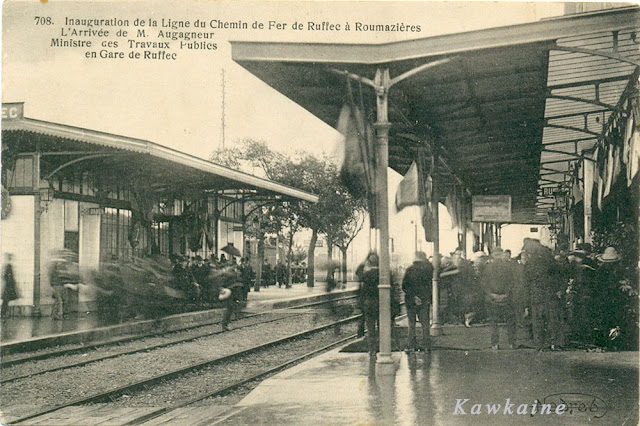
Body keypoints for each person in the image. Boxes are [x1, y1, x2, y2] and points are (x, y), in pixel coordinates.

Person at [480, 247, 518, 349]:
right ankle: (511, 343)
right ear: (502, 255)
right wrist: (506, 294)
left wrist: (491, 295)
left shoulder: (487, 267)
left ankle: (495, 343)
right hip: (506, 298)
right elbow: (513, 282)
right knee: (510, 321)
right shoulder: (509, 267)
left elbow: (483, 284)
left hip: (492, 299)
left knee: (493, 322)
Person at [402, 251, 433, 352]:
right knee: (425, 324)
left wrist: (414, 297)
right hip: (424, 299)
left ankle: (411, 346)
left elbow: (404, 286)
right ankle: (426, 346)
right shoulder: (428, 270)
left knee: (411, 323)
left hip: (411, 300)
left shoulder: (410, 269)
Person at [49, 249, 80, 320]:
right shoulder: (56, 264)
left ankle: (60, 315)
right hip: (56, 285)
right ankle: (56, 315)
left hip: (62, 284)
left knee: (64, 300)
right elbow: (52, 275)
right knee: (59, 300)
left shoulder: (64, 265)